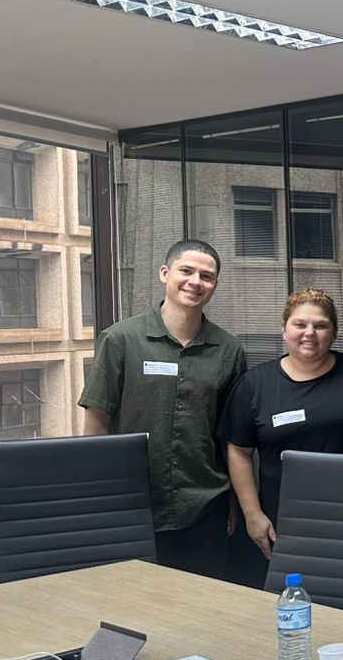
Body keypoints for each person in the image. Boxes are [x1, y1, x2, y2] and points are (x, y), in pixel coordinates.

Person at [80, 238, 246, 578]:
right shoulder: (120, 340)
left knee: (203, 603)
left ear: (215, 285)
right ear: (165, 273)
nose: (195, 282)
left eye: (206, 276)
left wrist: (233, 501)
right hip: (133, 506)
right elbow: (96, 423)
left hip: (205, 508)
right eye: (186, 271)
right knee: (135, 602)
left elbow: (231, 438)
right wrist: (98, 500)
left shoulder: (229, 350)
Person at [219, 289, 343, 577]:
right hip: (283, 524)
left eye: (321, 325)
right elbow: (238, 451)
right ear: (284, 328)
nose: (309, 333)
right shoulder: (254, 385)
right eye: (299, 324)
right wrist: (253, 515)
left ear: (334, 332)